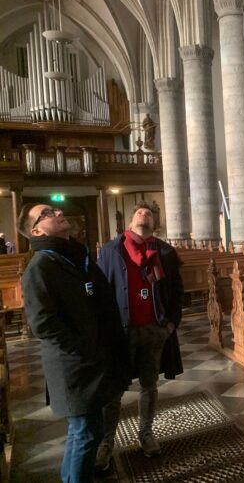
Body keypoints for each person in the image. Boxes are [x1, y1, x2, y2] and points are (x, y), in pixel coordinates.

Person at [18, 203, 128, 482]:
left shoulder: (76, 257)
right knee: (85, 433)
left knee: (87, 431)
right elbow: (43, 324)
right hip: (74, 365)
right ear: (36, 230)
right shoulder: (41, 266)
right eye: (47, 214)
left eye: (55, 209)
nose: (57, 213)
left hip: (95, 359)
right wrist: (85, 349)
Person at [95, 201, 184, 470]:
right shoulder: (111, 250)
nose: (143, 214)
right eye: (138, 212)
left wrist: (170, 324)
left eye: (148, 213)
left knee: (149, 385)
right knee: (114, 389)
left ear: (155, 223)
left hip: (154, 329)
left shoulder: (165, 252)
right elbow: (100, 292)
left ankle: (146, 433)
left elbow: (177, 290)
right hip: (121, 331)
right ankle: (106, 442)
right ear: (130, 221)